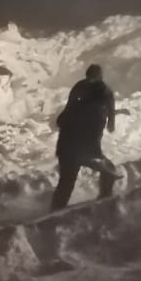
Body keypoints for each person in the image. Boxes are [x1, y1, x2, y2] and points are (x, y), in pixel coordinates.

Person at [52, 64, 119, 209]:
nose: (91, 81)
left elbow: (65, 115)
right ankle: (105, 200)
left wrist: (111, 121)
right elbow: (107, 111)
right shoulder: (99, 94)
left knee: (68, 179)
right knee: (107, 171)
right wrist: (111, 122)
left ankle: (57, 207)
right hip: (79, 147)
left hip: (71, 146)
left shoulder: (87, 90)